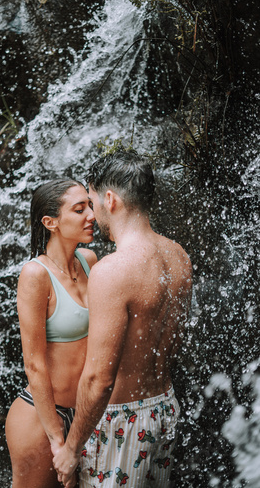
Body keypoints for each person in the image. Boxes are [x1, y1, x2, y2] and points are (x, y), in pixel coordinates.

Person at [53, 148, 192, 488]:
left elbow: (99, 378)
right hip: (164, 407)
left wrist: (71, 449)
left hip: (122, 422)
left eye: (92, 200)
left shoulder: (112, 271)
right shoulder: (179, 256)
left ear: (111, 199)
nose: (92, 212)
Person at [5, 179, 97, 488]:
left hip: (85, 417)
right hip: (41, 418)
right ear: (51, 222)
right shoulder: (36, 275)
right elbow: (34, 364)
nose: (91, 216)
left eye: (91, 206)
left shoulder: (90, 261)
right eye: (79, 209)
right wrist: (58, 439)